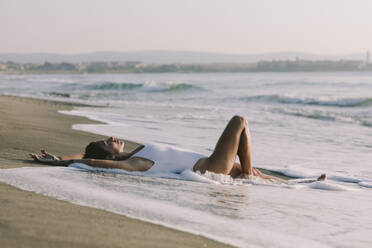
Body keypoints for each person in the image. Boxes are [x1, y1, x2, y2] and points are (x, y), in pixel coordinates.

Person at [30, 115, 325, 181]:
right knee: (239, 122)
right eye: (107, 143)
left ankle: (307, 183)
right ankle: (248, 175)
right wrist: (59, 164)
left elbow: (83, 155)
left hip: (215, 165)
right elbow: (91, 162)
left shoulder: (138, 151)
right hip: (209, 167)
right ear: (109, 154)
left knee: (262, 178)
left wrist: (61, 156)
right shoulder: (134, 164)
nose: (112, 138)